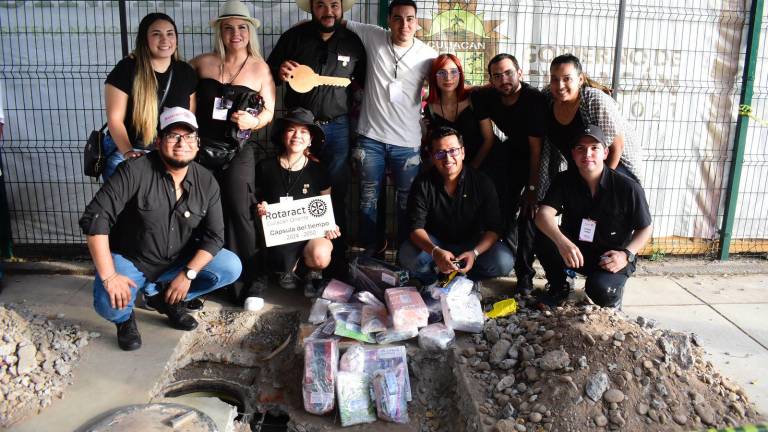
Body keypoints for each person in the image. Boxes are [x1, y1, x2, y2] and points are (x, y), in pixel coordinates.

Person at [79, 107, 242, 351]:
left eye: (188, 137)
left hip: (178, 261)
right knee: (108, 301)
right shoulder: (133, 171)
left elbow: (215, 235)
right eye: (173, 136)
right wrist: (110, 276)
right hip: (133, 259)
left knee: (230, 266)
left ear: (197, 144)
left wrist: (188, 274)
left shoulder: (206, 180)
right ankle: (125, 320)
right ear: (158, 141)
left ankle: (169, 299)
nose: (181, 143)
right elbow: (96, 220)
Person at [267, 0, 365, 278]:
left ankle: (334, 258)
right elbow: (269, 74)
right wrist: (279, 71)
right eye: (321, 5)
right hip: (300, 129)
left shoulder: (353, 43)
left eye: (334, 4)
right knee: (293, 187)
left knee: (337, 189)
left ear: (341, 8)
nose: (328, 11)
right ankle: (295, 259)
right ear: (311, 8)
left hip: (337, 127)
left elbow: (364, 83)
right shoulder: (293, 37)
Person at [191, 0, 276, 301]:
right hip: (201, 149)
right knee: (202, 212)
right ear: (220, 32)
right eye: (229, 28)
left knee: (241, 210)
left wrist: (254, 120)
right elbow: (175, 88)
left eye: (242, 27)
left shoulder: (260, 67)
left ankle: (251, 280)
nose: (235, 33)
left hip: (239, 148)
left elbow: (269, 113)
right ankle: (206, 277)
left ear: (250, 31)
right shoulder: (201, 63)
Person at [344, 0, 437, 255]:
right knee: (367, 202)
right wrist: (301, 26)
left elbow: (451, 81)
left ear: (417, 23)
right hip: (370, 139)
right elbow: (334, 20)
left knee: (407, 204)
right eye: (397, 18)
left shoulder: (429, 55)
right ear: (389, 21)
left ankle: (407, 255)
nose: (403, 24)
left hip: (407, 144)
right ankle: (371, 254)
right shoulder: (374, 35)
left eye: (409, 19)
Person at [535, 125, 652, 309]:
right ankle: (559, 287)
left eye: (594, 148)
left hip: (610, 257)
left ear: (605, 153)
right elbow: (543, 215)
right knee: (542, 232)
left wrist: (626, 254)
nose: (587, 153)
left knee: (600, 292)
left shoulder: (628, 188)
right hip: (576, 252)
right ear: (573, 154)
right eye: (580, 148)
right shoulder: (564, 180)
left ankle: (610, 288)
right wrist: (561, 242)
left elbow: (645, 228)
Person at [471, 54, 547, 295]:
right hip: (511, 153)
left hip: (543, 158)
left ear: (520, 73)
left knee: (528, 214)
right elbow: (470, 90)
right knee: (500, 205)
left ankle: (525, 275)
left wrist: (533, 189)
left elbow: (537, 149)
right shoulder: (486, 96)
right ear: (490, 80)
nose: (504, 79)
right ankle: (496, 256)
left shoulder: (532, 99)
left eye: (508, 73)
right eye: (497, 75)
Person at [399, 127, 514, 284]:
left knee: (503, 261)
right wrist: (436, 251)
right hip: (436, 243)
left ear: (463, 152)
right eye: (440, 153)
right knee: (407, 255)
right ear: (432, 157)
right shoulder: (422, 183)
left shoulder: (482, 182)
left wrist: (474, 253)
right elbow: (415, 228)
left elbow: (494, 229)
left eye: (453, 151)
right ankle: (432, 280)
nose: (447, 158)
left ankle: (467, 279)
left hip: (471, 244)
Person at [254, 108, 340, 296]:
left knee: (321, 254)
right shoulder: (264, 167)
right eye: (291, 130)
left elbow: (326, 204)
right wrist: (261, 207)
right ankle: (286, 270)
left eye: (303, 132)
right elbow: (256, 199)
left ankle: (312, 274)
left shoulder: (318, 170)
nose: (297, 136)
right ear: (283, 134)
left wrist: (330, 224)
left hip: (309, 235)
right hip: (279, 233)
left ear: (310, 140)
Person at [103, 13, 197, 181]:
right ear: (144, 39)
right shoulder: (127, 69)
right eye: (156, 34)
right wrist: (129, 153)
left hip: (169, 156)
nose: (164, 39)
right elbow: (114, 119)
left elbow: (190, 120)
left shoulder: (186, 72)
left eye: (170, 33)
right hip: (128, 151)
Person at [546, 53, 644, 184]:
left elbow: (617, 147)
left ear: (580, 79)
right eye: (555, 79)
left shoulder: (593, 100)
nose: (560, 85)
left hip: (616, 166)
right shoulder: (547, 99)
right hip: (583, 166)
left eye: (567, 79)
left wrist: (599, 184)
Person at [423, 53, 496, 168]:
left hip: (484, 162)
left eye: (453, 72)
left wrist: (472, 169)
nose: (448, 78)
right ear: (434, 77)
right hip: (452, 167)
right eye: (441, 73)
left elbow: (489, 139)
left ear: (460, 75)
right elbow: (435, 146)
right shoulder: (430, 108)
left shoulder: (474, 99)